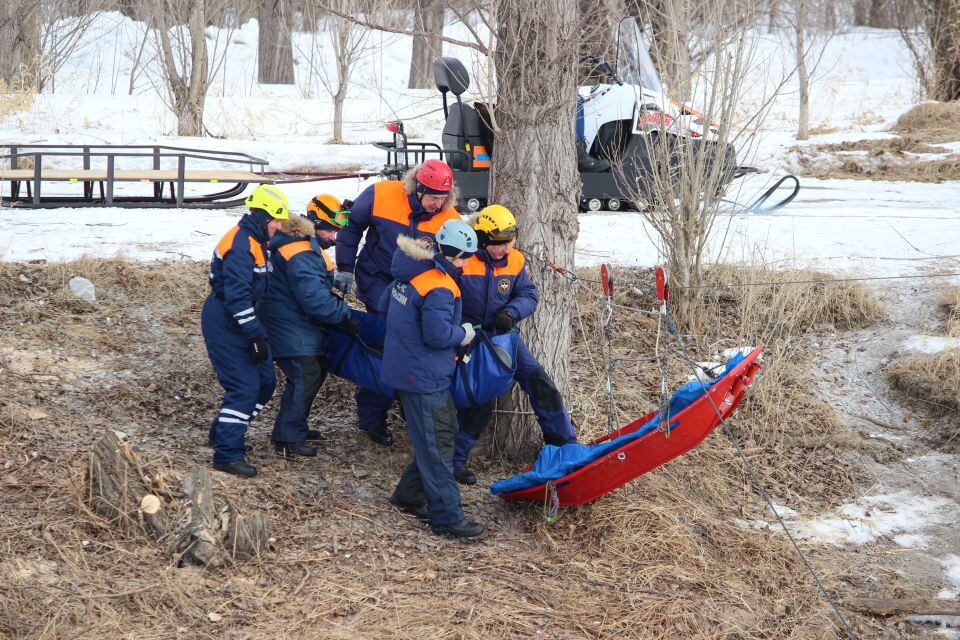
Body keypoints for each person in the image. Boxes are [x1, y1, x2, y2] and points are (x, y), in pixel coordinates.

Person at [335, 160, 462, 446]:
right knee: (387, 344)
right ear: (417, 188)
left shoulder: (449, 217)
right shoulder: (381, 194)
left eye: (443, 198)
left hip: (419, 290)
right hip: (376, 279)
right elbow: (351, 226)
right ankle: (372, 415)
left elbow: (455, 258)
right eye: (432, 197)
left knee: (414, 345)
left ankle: (409, 403)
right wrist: (344, 266)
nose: (436, 204)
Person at [452, 204, 578, 485]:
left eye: (510, 242)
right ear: (482, 240)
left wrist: (511, 312)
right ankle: (455, 460)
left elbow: (529, 294)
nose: (506, 249)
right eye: (499, 244)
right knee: (477, 399)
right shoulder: (464, 259)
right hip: (468, 338)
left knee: (539, 381)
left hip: (503, 335)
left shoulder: (516, 261)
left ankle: (565, 448)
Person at [381, 220, 484, 538]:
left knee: (439, 434)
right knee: (438, 445)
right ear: (455, 256)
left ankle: (409, 495)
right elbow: (438, 335)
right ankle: (447, 516)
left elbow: (385, 305)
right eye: (466, 258)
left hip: (407, 368)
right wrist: (464, 333)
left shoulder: (409, 271)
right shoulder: (440, 285)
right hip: (424, 375)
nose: (467, 264)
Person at [201, 184, 290, 478]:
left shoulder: (257, 239)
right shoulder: (241, 245)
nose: (280, 227)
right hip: (226, 321)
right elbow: (236, 297)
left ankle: (226, 431)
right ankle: (227, 453)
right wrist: (253, 335)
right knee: (244, 387)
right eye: (277, 221)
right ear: (264, 217)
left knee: (265, 382)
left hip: (244, 319)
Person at [260, 194, 356, 459]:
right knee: (306, 374)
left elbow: (310, 283)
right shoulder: (300, 250)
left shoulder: (301, 243)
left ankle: (295, 425)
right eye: (329, 230)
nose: (333, 237)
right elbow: (315, 301)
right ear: (313, 222)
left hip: (291, 317)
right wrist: (345, 315)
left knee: (314, 371)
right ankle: (288, 437)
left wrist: (331, 281)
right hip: (288, 322)